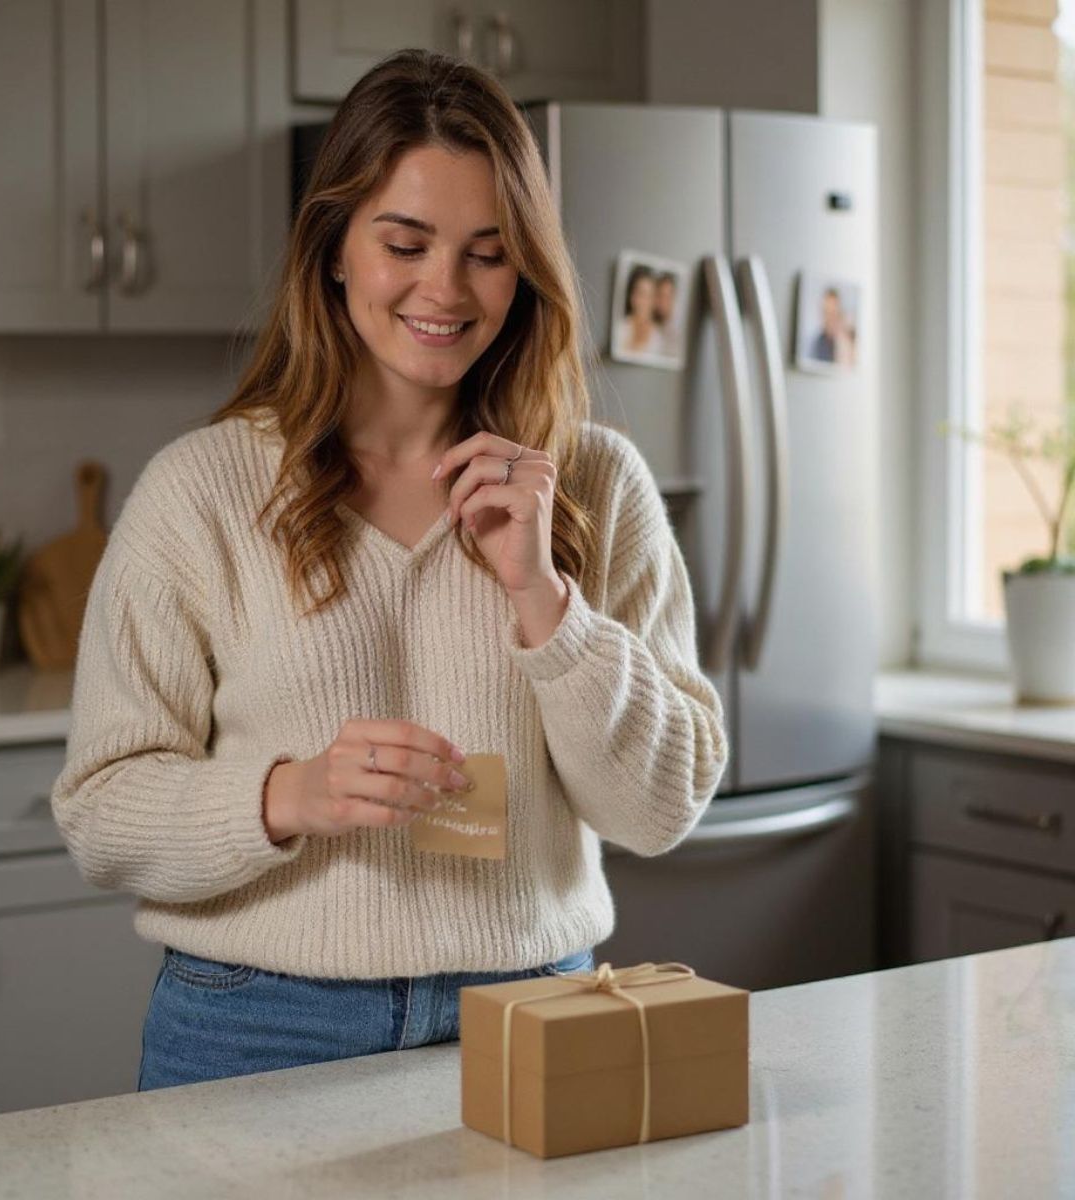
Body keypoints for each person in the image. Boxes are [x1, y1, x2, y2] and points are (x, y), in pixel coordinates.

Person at [50, 48, 729, 1092]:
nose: (444, 290)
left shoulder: (593, 483)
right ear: (332, 247)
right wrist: (291, 795)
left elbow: (662, 807)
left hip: (535, 1011)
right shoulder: (201, 494)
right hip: (256, 1025)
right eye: (404, 243)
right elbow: (101, 811)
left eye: (489, 253)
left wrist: (547, 605)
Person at [617, 262, 664, 355]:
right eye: (640, 293)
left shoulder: (659, 339)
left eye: (649, 295)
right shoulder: (620, 329)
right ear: (632, 297)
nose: (644, 301)